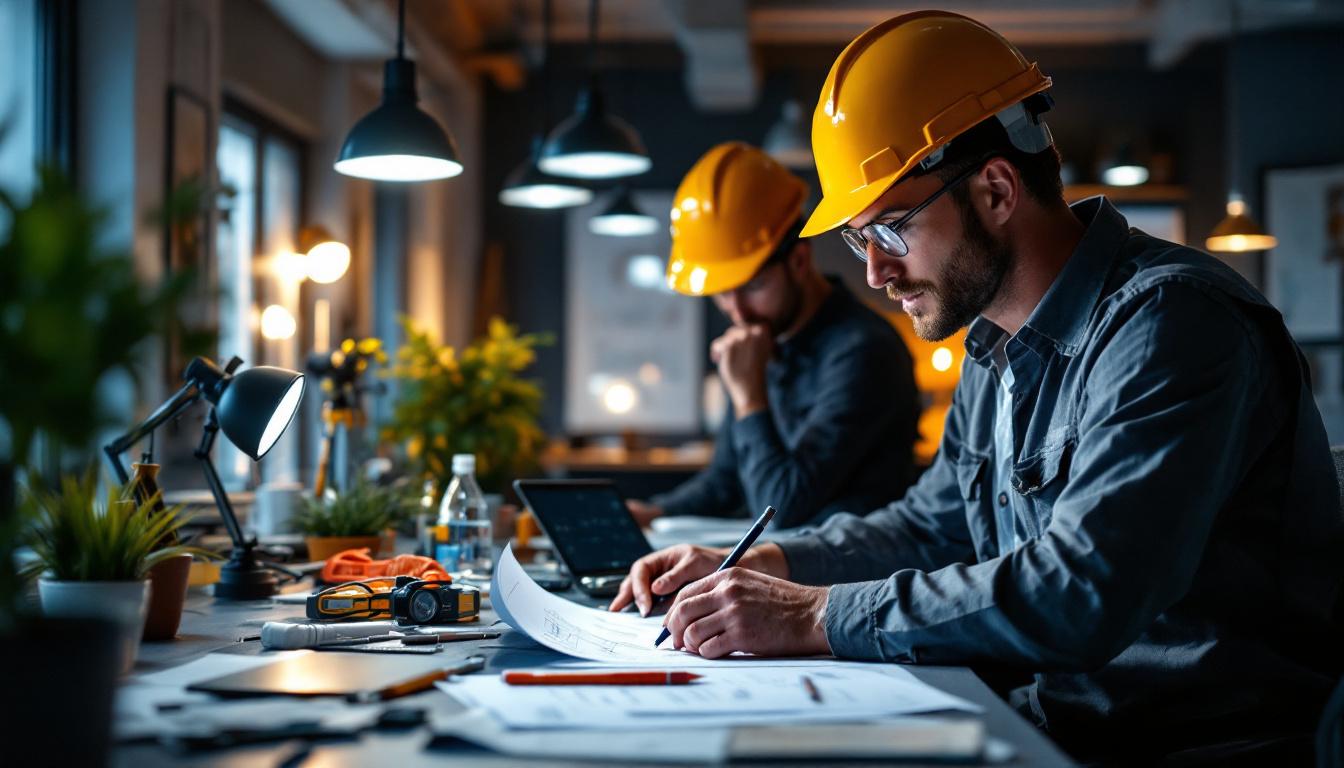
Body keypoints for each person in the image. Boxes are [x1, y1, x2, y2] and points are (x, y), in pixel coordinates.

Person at [611, 12, 1344, 762]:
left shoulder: (1172, 322)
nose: (875, 273)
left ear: (995, 190)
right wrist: (770, 563)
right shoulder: (993, 349)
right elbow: (930, 529)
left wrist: (812, 615)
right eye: (860, 239)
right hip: (1049, 723)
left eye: (891, 229)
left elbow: (1082, 589)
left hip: (1184, 748)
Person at [625, 142, 921, 530]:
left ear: (799, 260)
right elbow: (725, 482)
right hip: (788, 556)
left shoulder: (864, 350)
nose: (738, 313)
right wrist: (652, 513)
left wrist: (749, 395)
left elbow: (781, 508)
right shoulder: (763, 343)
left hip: (850, 563)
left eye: (752, 286)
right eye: (722, 294)